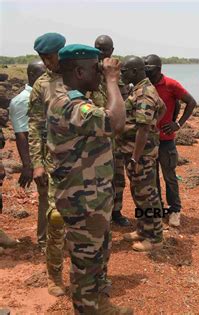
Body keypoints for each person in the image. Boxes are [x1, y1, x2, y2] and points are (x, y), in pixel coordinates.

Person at [47, 43, 131, 314]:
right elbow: (116, 123)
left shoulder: (78, 100)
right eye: (97, 69)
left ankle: (99, 303)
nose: (101, 73)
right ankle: (87, 309)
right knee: (86, 262)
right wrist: (112, 80)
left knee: (99, 255)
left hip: (93, 196)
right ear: (80, 71)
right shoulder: (69, 104)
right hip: (81, 199)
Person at [28, 32, 67, 297]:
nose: (46, 61)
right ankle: (54, 275)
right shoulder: (42, 85)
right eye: (42, 58)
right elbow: (35, 126)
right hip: (55, 162)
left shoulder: (81, 74)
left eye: (49, 56)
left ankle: (89, 277)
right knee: (55, 218)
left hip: (86, 163)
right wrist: (37, 164)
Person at [117, 56, 166, 251]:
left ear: (136, 71)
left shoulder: (144, 93)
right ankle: (144, 230)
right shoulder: (140, 89)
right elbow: (161, 108)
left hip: (141, 155)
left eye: (125, 71)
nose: (122, 74)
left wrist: (135, 158)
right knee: (139, 193)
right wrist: (154, 123)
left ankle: (155, 238)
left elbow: (143, 129)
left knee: (148, 196)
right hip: (137, 152)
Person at [143, 54, 196, 227]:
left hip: (166, 141)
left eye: (147, 67)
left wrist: (178, 124)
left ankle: (175, 210)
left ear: (158, 69)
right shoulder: (143, 85)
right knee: (152, 179)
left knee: (170, 177)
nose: (144, 70)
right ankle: (158, 209)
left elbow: (191, 102)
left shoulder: (171, 84)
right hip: (148, 142)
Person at [90, 34, 131, 227]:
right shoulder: (88, 72)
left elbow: (125, 105)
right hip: (95, 136)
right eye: (98, 48)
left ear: (112, 51)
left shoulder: (117, 76)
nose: (101, 52)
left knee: (117, 178)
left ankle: (116, 211)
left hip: (116, 138)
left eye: (105, 49)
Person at [9, 60, 47, 246]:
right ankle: (45, 241)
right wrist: (28, 165)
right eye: (43, 73)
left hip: (51, 155)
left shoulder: (43, 95)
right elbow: (21, 134)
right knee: (46, 198)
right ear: (32, 75)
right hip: (40, 158)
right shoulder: (22, 101)